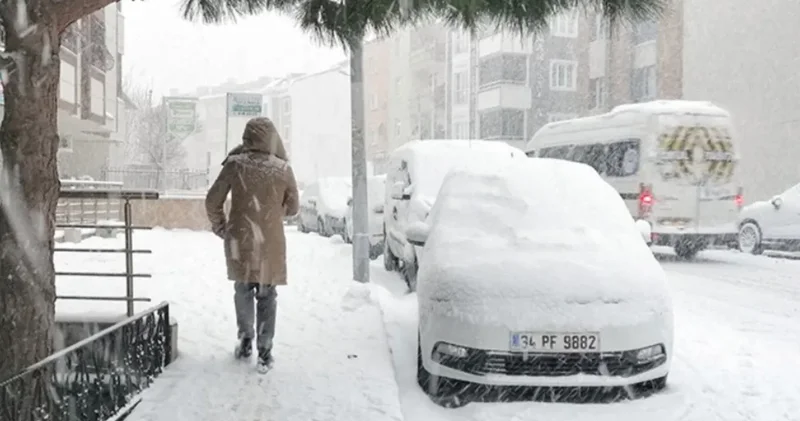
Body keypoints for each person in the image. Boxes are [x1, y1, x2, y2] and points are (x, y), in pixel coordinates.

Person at [205, 117, 299, 371]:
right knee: (267, 295)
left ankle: (246, 338)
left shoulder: (235, 164)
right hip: (270, 243)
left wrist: (221, 226)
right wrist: (272, 213)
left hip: (241, 240)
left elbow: (212, 200)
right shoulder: (282, 168)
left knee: (243, 289)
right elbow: (293, 208)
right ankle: (265, 350)